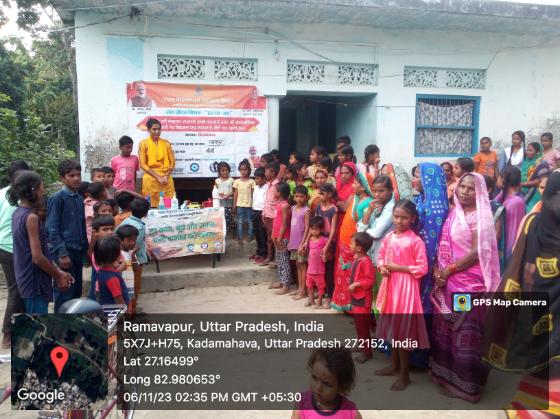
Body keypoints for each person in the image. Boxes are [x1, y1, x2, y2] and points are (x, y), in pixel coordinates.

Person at [483, 172, 560, 417]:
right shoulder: (532, 222)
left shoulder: (532, 221)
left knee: (545, 359)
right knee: (547, 360)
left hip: (537, 302)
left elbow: (518, 267)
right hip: (542, 304)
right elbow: (520, 264)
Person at [430, 173, 500, 402]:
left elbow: (476, 252)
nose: (464, 191)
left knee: (464, 332)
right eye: (462, 186)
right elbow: (443, 246)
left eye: (471, 188)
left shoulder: (480, 217)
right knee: (446, 329)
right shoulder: (453, 213)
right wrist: (438, 270)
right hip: (447, 280)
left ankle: (467, 385)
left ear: (480, 192)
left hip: (469, 285)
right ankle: (445, 376)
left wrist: (448, 270)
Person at [375, 200, 429, 389]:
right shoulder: (389, 237)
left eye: (404, 217)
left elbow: (422, 268)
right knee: (393, 327)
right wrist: (382, 267)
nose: (399, 221)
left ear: (413, 218)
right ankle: (394, 366)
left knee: (403, 332)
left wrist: (398, 268)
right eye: (396, 216)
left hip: (406, 290)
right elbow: (381, 256)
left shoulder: (415, 241)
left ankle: (404, 375)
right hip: (390, 287)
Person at [9, 171, 74, 314]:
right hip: (34, 282)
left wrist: (58, 270)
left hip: (26, 278)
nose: (43, 190)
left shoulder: (17, 213)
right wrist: (57, 276)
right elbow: (37, 257)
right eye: (42, 186)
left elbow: (40, 250)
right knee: (38, 322)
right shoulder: (31, 218)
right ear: (35, 190)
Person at [46, 160, 88, 312]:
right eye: (71, 175)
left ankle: (72, 324)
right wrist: (62, 253)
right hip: (66, 252)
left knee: (76, 291)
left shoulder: (79, 198)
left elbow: (82, 226)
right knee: (65, 291)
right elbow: (51, 228)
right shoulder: (57, 198)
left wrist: (85, 251)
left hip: (78, 250)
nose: (76, 178)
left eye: (78, 175)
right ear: (62, 178)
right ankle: (59, 324)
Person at [331, 171, 374, 312]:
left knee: (352, 274)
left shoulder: (368, 203)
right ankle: (343, 303)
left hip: (355, 242)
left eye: (355, 183)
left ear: (363, 187)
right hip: (346, 240)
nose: (353, 185)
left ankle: (352, 306)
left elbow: (364, 225)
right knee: (342, 273)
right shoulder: (356, 198)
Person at [0, 160, 28, 347]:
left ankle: (22, 328)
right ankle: (7, 334)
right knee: (16, 291)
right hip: (12, 248)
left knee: (20, 289)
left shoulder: (2, 193)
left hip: (6, 246)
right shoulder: (22, 196)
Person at [291, 348, 361, 419]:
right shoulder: (302, 404)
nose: (318, 387)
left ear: (342, 387)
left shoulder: (351, 413)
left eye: (326, 384)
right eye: (314, 378)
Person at [117, 198, 149, 313]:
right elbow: (135, 247)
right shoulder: (139, 227)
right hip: (134, 259)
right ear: (146, 213)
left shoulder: (126, 220)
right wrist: (135, 260)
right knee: (134, 284)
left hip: (123, 257)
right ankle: (132, 308)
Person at [348, 232, 375, 363]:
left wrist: (356, 284)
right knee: (359, 325)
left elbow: (370, 280)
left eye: (351, 243)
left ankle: (367, 352)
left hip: (363, 300)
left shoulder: (366, 262)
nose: (349, 245)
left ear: (359, 248)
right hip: (356, 298)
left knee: (363, 326)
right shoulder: (358, 258)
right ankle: (362, 345)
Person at [138, 118, 176, 208]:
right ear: (148, 130)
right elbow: (143, 165)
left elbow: (172, 162)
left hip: (166, 178)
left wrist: (165, 176)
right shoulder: (143, 143)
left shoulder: (166, 143)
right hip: (150, 178)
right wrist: (158, 177)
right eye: (154, 129)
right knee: (151, 206)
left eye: (159, 129)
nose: (157, 132)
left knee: (168, 206)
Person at [494, 166, 525, 266]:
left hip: (506, 248)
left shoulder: (516, 202)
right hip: (499, 243)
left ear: (503, 179)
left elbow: (513, 230)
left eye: (499, 177)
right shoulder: (504, 195)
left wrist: (509, 254)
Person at [314, 184, 339, 309]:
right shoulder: (318, 207)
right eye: (319, 193)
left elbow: (333, 229)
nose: (320, 196)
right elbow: (314, 224)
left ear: (329, 194)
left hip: (329, 242)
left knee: (329, 270)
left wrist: (327, 246)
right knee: (320, 269)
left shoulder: (334, 209)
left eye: (322, 194)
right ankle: (321, 292)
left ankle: (329, 296)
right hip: (319, 240)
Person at [288, 186, 310, 301]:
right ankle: (300, 288)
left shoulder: (306, 210)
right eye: (297, 196)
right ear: (294, 197)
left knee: (303, 265)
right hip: (294, 242)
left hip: (301, 243)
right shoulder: (293, 208)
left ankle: (304, 290)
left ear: (306, 197)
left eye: (302, 196)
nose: (299, 198)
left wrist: (303, 243)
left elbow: (307, 228)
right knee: (298, 264)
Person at [86, 214, 116, 300]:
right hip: (104, 286)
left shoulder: (114, 245)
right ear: (95, 232)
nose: (110, 232)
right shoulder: (98, 250)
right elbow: (108, 270)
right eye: (105, 229)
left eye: (112, 229)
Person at [94, 235, 130, 306]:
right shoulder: (112, 278)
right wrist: (125, 310)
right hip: (116, 309)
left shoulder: (101, 271)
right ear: (115, 255)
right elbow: (118, 298)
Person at [270, 182, 291, 294]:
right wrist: (273, 235)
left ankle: (286, 285)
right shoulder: (279, 204)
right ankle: (281, 281)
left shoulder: (285, 206)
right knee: (279, 260)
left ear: (279, 193)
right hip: (277, 237)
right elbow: (276, 222)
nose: (274, 192)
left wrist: (279, 238)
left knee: (284, 260)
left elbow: (284, 223)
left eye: (275, 191)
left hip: (283, 237)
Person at [305, 216, 328, 308]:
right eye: (312, 229)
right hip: (310, 269)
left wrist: (325, 257)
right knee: (309, 285)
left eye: (316, 229)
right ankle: (311, 300)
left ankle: (319, 301)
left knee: (320, 286)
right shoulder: (310, 239)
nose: (314, 231)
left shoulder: (325, 240)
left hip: (319, 270)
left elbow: (327, 254)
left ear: (321, 229)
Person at [116, 224, 139, 309]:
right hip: (120, 288)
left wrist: (133, 256)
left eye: (134, 240)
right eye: (129, 240)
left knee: (129, 307)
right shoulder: (117, 254)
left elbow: (136, 269)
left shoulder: (131, 252)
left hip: (130, 287)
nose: (132, 243)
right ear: (120, 240)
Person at [261, 162, 280, 267]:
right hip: (268, 216)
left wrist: (277, 217)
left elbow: (278, 203)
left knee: (275, 238)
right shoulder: (268, 184)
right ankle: (269, 257)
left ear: (273, 173)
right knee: (269, 238)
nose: (265, 173)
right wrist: (264, 213)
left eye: (266, 171)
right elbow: (267, 201)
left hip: (274, 217)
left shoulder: (277, 186)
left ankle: (277, 259)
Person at [233, 159, 255, 245]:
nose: (243, 171)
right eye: (241, 169)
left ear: (249, 170)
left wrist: (254, 205)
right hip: (239, 205)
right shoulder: (237, 181)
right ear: (239, 170)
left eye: (245, 169)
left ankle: (250, 236)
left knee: (250, 221)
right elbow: (235, 194)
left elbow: (253, 194)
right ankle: (240, 237)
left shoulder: (252, 181)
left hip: (249, 205)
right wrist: (234, 205)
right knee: (240, 221)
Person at [520, 142, 547, 212]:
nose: (528, 152)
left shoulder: (542, 163)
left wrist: (523, 184)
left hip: (534, 192)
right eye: (527, 150)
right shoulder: (526, 161)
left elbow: (541, 180)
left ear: (537, 152)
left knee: (532, 211)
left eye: (530, 151)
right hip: (523, 191)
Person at [250, 167, 268, 264]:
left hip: (262, 212)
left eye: (258, 178)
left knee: (262, 234)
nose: (256, 180)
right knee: (256, 233)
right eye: (255, 178)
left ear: (264, 179)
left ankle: (264, 254)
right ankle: (259, 251)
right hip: (255, 211)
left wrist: (264, 213)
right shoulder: (256, 188)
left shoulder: (267, 188)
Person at [215, 161, 235, 236]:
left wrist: (228, 195)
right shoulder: (217, 181)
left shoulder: (232, 180)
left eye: (226, 170)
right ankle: (225, 231)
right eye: (223, 170)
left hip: (230, 201)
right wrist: (220, 194)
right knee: (223, 216)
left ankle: (233, 231)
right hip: (221, 201)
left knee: (230, 217)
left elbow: (235, 191)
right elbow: (217, 191)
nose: (225, 172)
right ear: (219, 172)